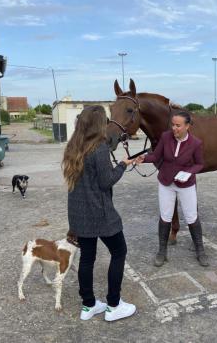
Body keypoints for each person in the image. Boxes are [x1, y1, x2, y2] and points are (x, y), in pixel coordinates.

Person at [62, 105, 137, 322]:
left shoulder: (73, 146)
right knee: (119, 252)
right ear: (99, 124)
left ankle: (89, 305)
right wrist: (122, 165)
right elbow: (107, 181)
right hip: (100, 213)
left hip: (78, 213)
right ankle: (114, 305)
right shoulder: (100, 148)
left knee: (87, 258)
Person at [136, 110, 206, 267]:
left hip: (186, 185)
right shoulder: (165, 137)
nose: (174, 128)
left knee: (191, 216)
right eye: (173, 125)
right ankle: (162, 251)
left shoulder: (196, 143)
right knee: (165, 216)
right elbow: (156, 156)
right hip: (166, 183)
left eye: (178, 126)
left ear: (187, 126)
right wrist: (144, 158)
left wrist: (188, 172)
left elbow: (200, 164)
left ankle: (200, 250)